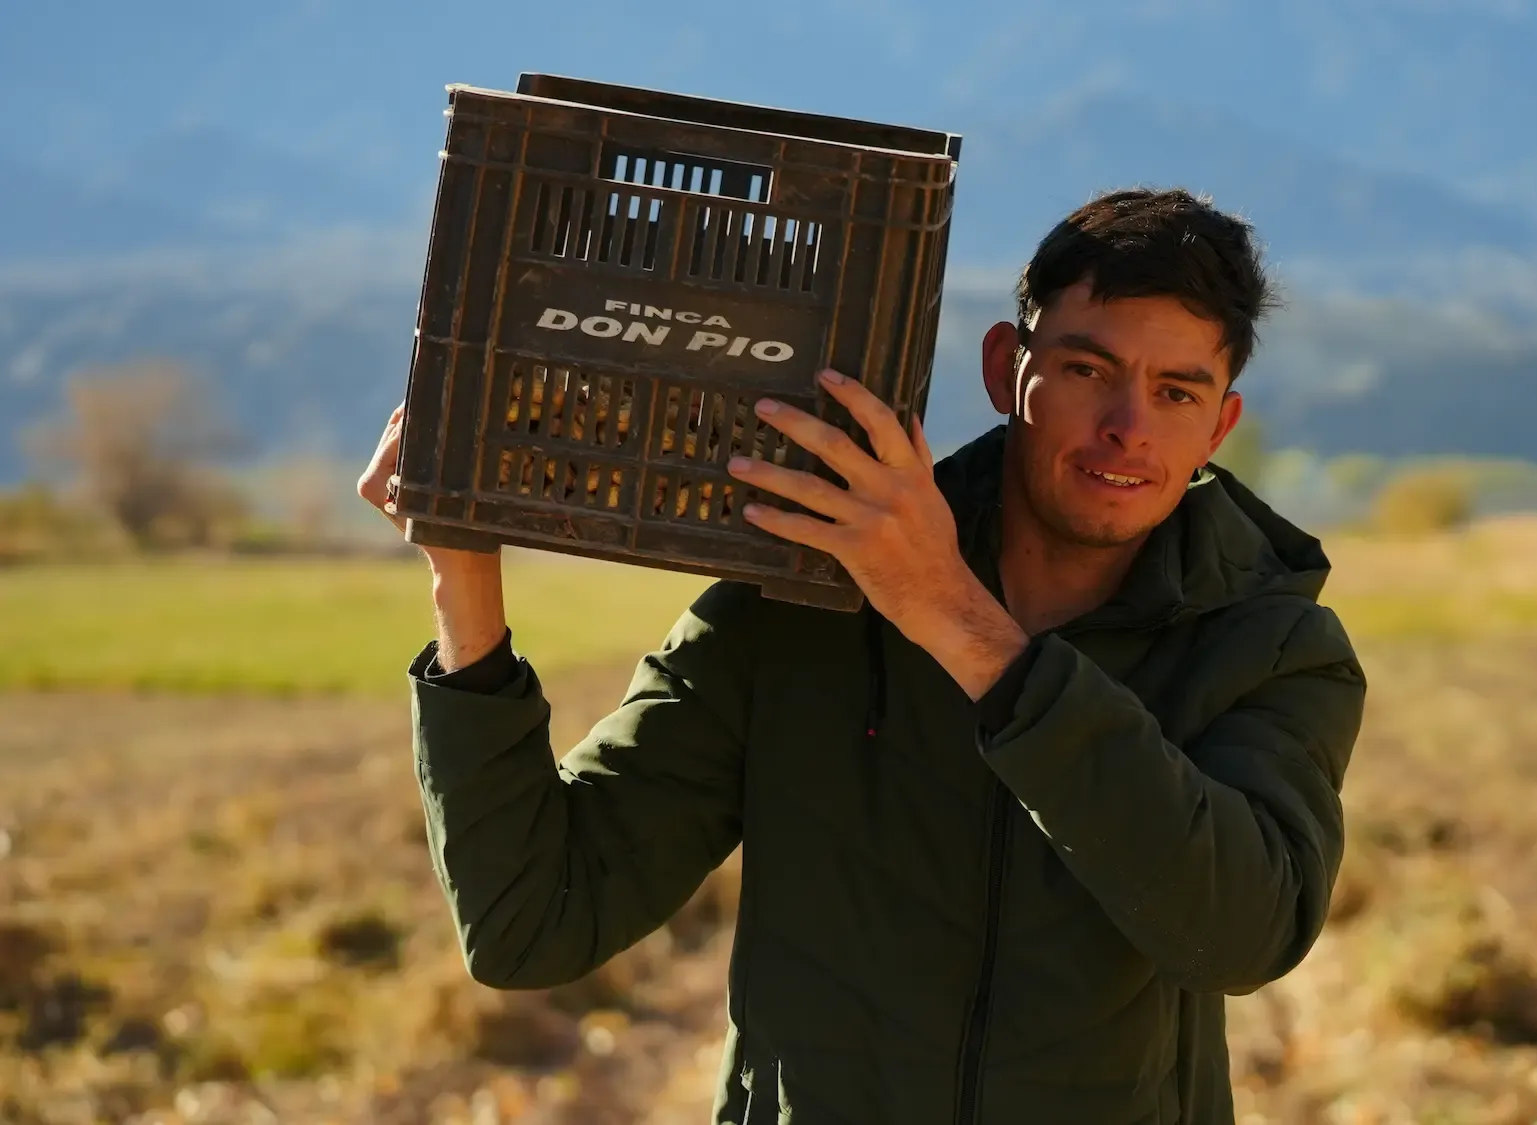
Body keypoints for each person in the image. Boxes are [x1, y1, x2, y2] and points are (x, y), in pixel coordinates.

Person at [357, 186, 1366, 1125]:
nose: (1126, 428)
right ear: (1005, 370)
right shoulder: (803, 601)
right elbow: (535, 921)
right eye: (1086, 369)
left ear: (1220, 424)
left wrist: (953, 619)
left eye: (1177, 393)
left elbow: (1241, 932)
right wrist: (465, 583)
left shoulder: (1272, 647)